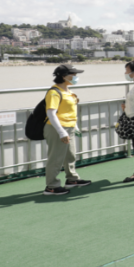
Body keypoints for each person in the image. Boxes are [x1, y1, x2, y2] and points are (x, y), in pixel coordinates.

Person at [41, 64, 90, 195]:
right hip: (56, 128)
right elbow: (51, 113)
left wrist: (75, 126)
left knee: (70, 155)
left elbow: (69, 111)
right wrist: (61, 131)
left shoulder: (68, 91)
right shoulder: (54, 92)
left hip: (69, 127)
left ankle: (72, 179)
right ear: (63, 76)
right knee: (56, 158)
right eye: (73, 75)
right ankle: (51, 186)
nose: (76, 77)